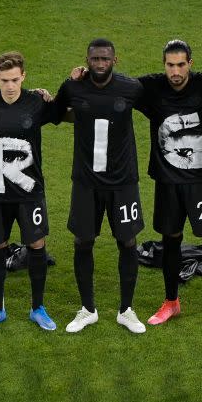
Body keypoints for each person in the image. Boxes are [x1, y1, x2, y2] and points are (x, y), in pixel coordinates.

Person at [131, 40, 202, 328]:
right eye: (170, 65)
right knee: (170, 240)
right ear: (164, 64)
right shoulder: (152, 87)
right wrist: (82, 76)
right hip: (168, 182)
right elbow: (118, 87)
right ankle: (171, 302)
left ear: (190, 63)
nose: (175, 71)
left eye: (181, 64)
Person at [0, 51, 62, 331]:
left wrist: (53, 96)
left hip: (30, 193)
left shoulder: (36, 102)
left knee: (37, 246)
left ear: (24, 77)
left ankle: (37, 308)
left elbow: (65, 113)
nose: (10, 86)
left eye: (15, 79)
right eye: (5, 80)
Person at [55, 38, 147, 334]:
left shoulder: (130, 88)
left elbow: (159, 106)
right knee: (83, 241)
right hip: (85, 183)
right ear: (87, 59)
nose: (99, 64)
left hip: (123, 183)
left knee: (128, 241)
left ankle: (127, 310)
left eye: (105, 59)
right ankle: (87, 309)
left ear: (114, 60)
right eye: (94, 59)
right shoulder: (72, 87)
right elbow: (55, 113)